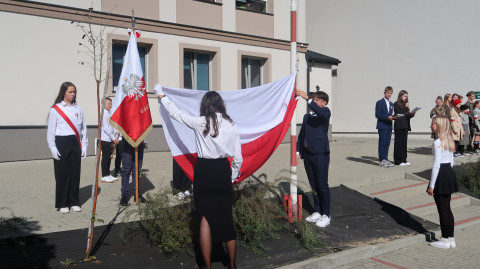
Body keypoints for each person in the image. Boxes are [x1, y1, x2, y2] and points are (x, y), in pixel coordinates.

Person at [155, 86, 242, 269]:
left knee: (205, 219)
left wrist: (162, 96)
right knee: (227, 219)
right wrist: (232, 176)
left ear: (205, 106)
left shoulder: (200, 122)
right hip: (222, 170)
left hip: (204, 170)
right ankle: (232, 265)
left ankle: (207, 267)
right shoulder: (232, 125)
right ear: (221, 105)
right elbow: (238, 157)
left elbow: (176, 114)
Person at [47, 82, 88, 214]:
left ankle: (74, 201)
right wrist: (53, 148)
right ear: (63, 92)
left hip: (75, 142)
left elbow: (83, 129)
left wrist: (85, 145)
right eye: (70, 92)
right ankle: (62, 203)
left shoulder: (78, 109)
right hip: (61, 142)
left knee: (75, 173)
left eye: (74, 92)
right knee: (62, 174)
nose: (73, 94)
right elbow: (51, 131)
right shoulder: (55, 109)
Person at [296, 90, 331, 228]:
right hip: (308, 155)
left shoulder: (325, 113)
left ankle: (326, 214)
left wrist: (307, 98)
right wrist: (297, 151)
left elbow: (320, 112)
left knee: (322, 185)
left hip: (320, 154)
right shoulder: (306, 117)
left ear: (324, 102)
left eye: (317, 100)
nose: (314, 102)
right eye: (313, 99)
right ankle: (317, 210)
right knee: (313, 185)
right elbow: (301, 135)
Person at [427, 116, 458, 249]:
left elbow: (436, 165)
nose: (430, 126)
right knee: (447, 209)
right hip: (449, 172)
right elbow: (451, 161)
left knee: (442, 210)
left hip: (441, 174)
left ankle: (445, 239)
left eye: (433, 124)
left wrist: (431, 185)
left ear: (438, 126)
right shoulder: (449, 140)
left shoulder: (438, 142)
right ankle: (450, 238)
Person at [119, 140, 146, 206]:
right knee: (126, 171)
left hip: (139, 143)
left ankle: (136, 194)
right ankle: (124, 196)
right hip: (127, 143)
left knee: (137, 171)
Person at [100, 97, 119, 183]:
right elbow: (106, 128)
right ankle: (104, 175)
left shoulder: (108, 113)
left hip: (110, 139)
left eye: (111, 104)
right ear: (104, 104)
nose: (110, 105)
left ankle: (107, 174)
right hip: (105, 139)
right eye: (108, 104)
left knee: (109, 157)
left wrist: (115, 135)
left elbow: (111, 126)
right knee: (105, 157)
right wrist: (113, 137)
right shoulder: (103, 114)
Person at [393, 90, 415, 165]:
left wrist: (412, 114)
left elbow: (406, 116)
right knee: (398, 143)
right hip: (398, 126)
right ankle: (398, 160)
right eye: (404, 96)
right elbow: (399, 113)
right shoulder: (396, 104)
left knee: (404, 143)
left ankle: (404, 159)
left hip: (405, 125)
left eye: (406, 96)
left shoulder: (406, 104)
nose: (406, 98)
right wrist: (406, 107)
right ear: (400, 96)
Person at [375, 86, 395, 167]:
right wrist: (387, 117)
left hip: (389, 126)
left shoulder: (391, 104)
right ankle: (382, 159)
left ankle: (386, 159)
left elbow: (390, 115)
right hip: (382, 126)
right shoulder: (379, 102)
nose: (389, 95)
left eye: (390, 93)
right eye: (388, 93)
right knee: (382, 143)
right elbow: (377, 115)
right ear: (384, 93)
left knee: (387, 143)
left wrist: (394, 117)